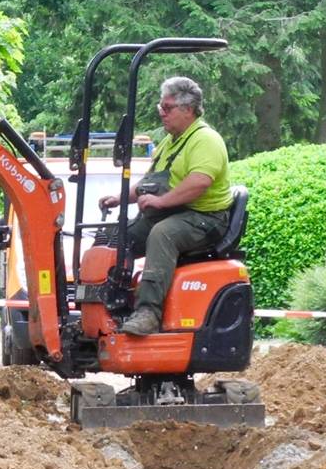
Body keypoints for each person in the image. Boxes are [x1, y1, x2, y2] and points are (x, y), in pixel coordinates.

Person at [99, 76, 235, 335]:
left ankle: (148, 312)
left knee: (162, 234)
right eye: (160, 106)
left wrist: (160, 202)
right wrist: (120, 198)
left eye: (167, 107)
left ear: (188, 109)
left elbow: (199, 182)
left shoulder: (206, 140)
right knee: (116, 237)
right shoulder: (169, 142)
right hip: (175, 212)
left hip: (204, 218)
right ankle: (107, 302)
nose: (162, 112)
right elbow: (149, 184)